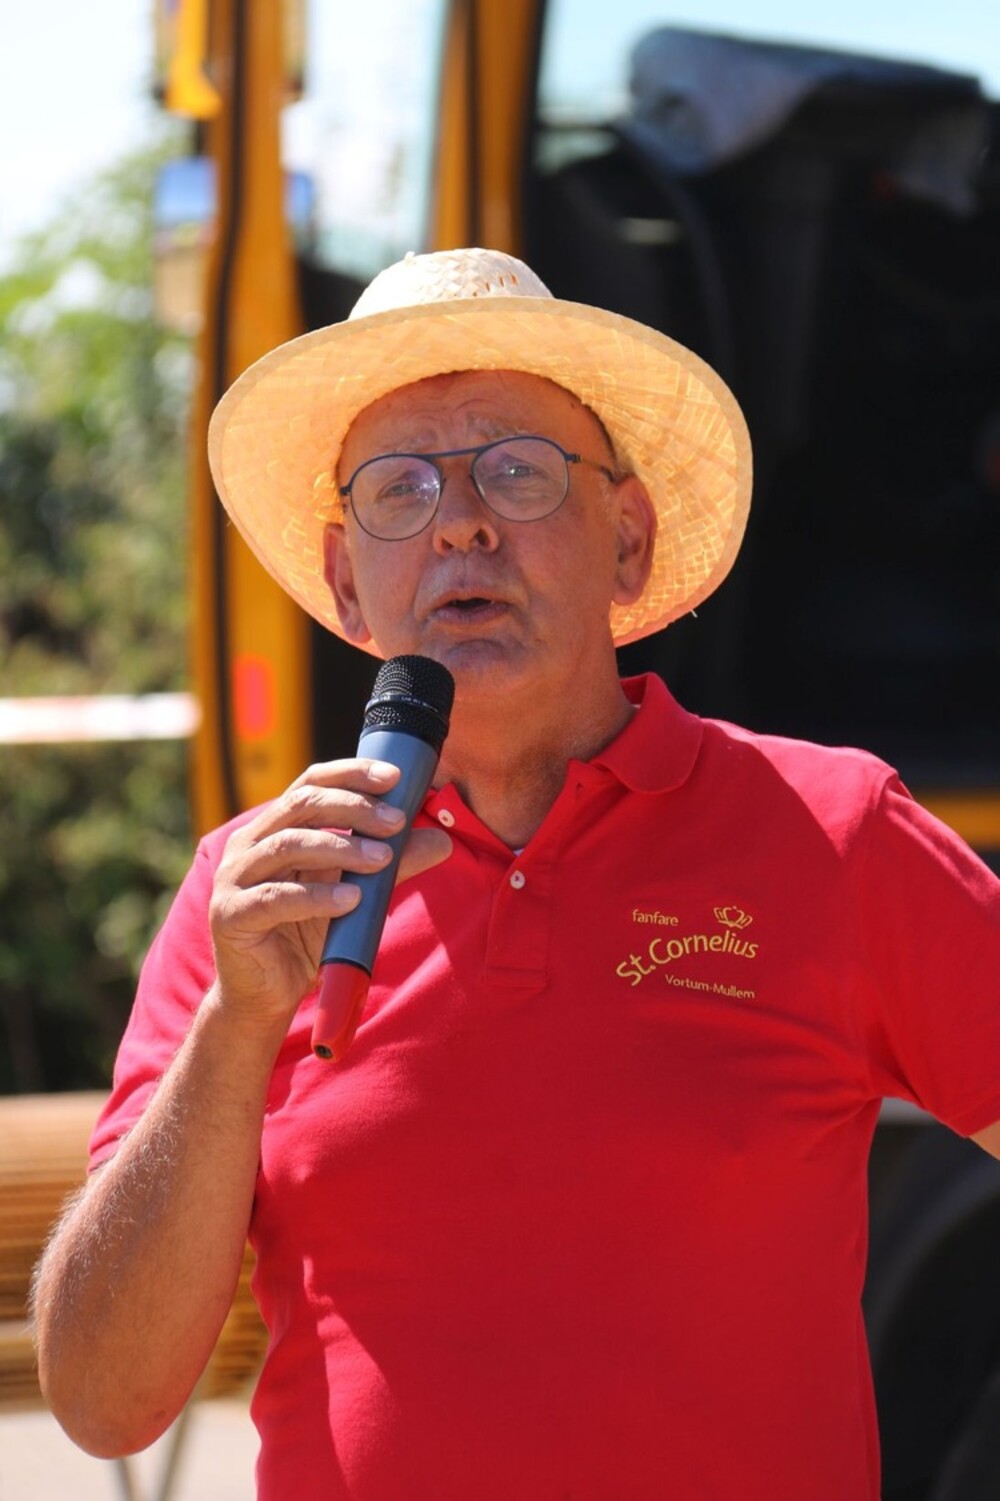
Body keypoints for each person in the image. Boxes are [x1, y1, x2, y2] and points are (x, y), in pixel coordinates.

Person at [33, 247, 1000, 1500]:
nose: (460, 522)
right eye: (398, 488)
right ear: (346, 582)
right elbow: (104, 1402)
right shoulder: (253, 895)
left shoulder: (833, 830)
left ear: (627, 541)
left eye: (517, 470)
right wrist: (234, 1026)